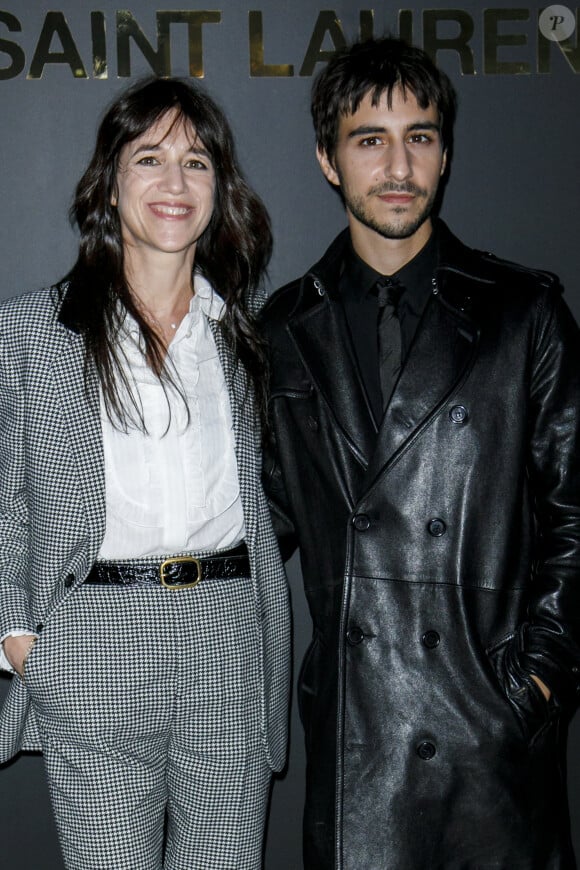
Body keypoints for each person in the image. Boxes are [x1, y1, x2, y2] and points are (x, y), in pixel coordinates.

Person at [261, 37, 580, 870]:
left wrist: (536, 681)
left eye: (422, 136)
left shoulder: (524, 313)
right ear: (328, 160)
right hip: (361, 739)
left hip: (491, 735)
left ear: (446, 153)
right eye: (370, 140)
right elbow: (253, 530)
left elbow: (577, 516)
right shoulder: (283, 333)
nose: (398, 165)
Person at [0, 77, 290, 869]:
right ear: (110, 181)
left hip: (229, 637)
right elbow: (4, 500)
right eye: (149, 158)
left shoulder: (247, 337)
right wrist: (21, 639)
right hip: (92, 643)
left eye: (197, 162)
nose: (174, 182)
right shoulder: (30, 330)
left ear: (219, 189)